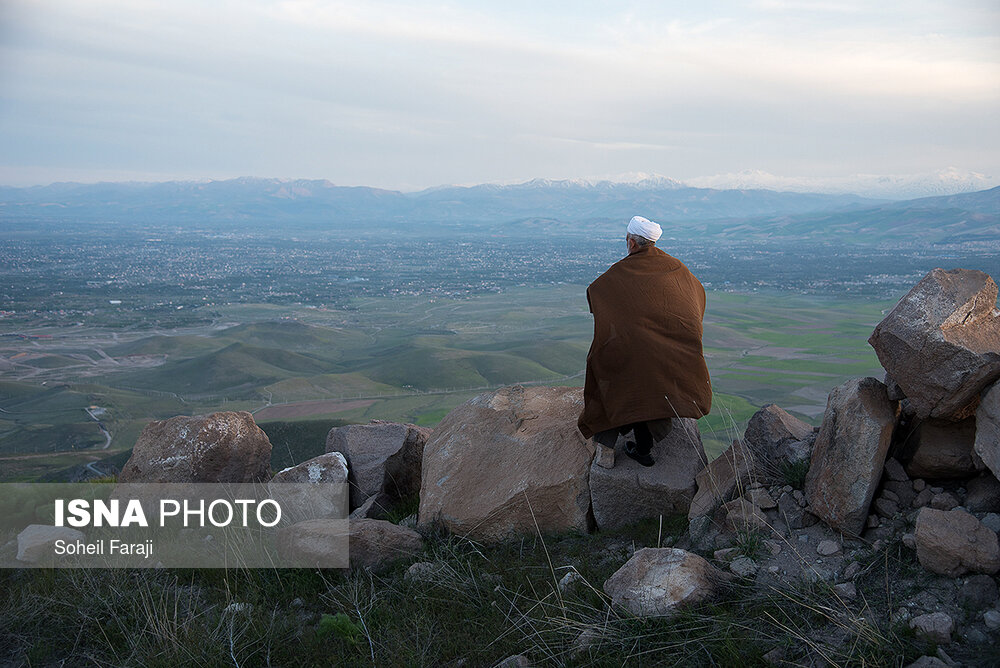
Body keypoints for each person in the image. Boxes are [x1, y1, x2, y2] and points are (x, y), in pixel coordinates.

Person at [577, 215, 712, 466]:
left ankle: (605, 449)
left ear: (632, 243)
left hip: (631, 358)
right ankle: (645, 444)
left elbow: (595, 294)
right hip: (671, 358)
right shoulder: (677, 269)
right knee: (650, 380)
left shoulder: (619, 273)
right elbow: (696, 301)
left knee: (611, 374)